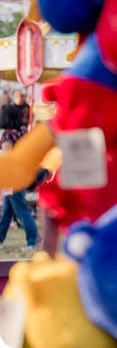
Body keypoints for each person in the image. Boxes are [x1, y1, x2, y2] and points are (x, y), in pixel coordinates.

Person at [0, 104, 40, 252]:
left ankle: (33, 240)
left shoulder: (7, 136)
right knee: (8, 211)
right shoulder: (22, 133)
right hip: (23, 174)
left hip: (12, 178)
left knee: (21, 210)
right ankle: (0, 238)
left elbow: (7, 158)